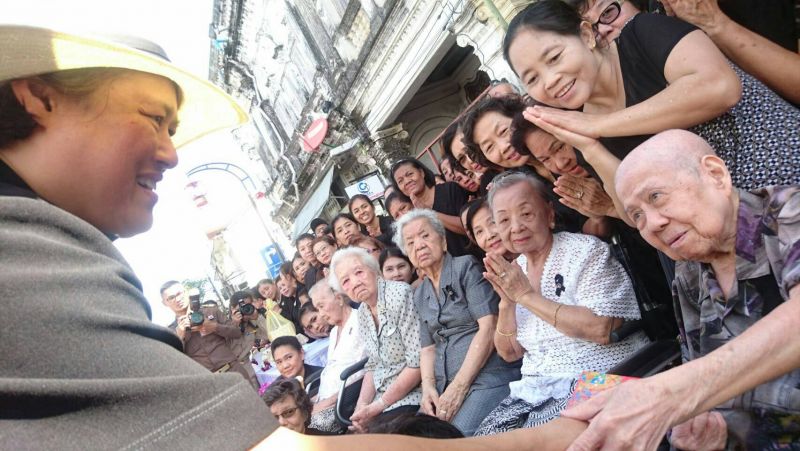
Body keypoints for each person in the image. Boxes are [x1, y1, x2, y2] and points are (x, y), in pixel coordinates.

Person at [564, 129, 800, 450]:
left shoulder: (788, 214)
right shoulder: (689, 274)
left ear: (715, 175)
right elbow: (706, 381)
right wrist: (714, 429)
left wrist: (675, 393)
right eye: (636, 216)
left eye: (656, 197)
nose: (651, 224)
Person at [507, 0, 800, 190]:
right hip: (738, 238)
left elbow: (719, 87)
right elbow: (633, 212)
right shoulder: (581, 127)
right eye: (532, 78)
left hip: (784, 173)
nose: (550, 80)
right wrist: (591, 147)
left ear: (586, 36)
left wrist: (599, 126)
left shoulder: (642, 34)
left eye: (555, 57)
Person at [474, 171, 647, 435]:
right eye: (504, 220)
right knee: (486, 438)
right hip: (536, 390)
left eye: (526, 214)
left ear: (550, 215)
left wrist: (526, 296)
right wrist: (507, 304)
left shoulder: (585, 252)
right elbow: (510, 353)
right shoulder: (515, 270)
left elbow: (601, 329)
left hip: (599, 376)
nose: (516, 227)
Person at [394, 209, 522, 436]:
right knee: (414, 439)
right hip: (445, 384)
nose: (419, 245)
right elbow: (428, 348)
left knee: (454, 439)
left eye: (425, 236)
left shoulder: (465, 267)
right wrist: (429, 389)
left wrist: (459, 387)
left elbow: (489, 325)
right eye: (410, 243)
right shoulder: (420, 293)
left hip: (486, 377)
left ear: (443, 241)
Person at [329, 247, 423, 433]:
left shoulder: (399, 295)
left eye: (359, 272)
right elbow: (373, 364)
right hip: (382, 398)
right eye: (346, 281)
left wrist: (377, 406)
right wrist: (361, 407)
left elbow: (417, 363)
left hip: (412, 393)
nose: (355, 282)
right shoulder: (363, 312)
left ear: (374, 270)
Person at [308, 280, 367, 433]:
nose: (320, 314)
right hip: (324, 398)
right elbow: (332, 368)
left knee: (303, 429)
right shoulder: (334, 331)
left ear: (339, 299)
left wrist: (327, 402)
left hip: (343, 403)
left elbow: (362, 371)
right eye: (317, 309)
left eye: (321, 306)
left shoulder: (360, 321)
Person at [391, 158, 472, 257]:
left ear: (421, 173)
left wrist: (429, 212)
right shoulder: (413, 215)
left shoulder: (450, 190)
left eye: (410, 174)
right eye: (400, 181)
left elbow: (469, 228)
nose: (407, 181)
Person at [227, 289, 267, 389]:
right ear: (232, 308)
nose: (245, 309)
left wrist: (257, 317)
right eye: (242, 306)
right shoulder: (225, 326)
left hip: (251, 367)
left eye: (248, 305)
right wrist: (234, 325)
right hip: (234, 372)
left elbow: (266, 336)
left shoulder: (251, 323)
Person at [262, 379, 329, 435]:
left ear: (304, 413)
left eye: (289, 412)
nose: (281, 422)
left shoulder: (329, 443)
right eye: (273, 418)